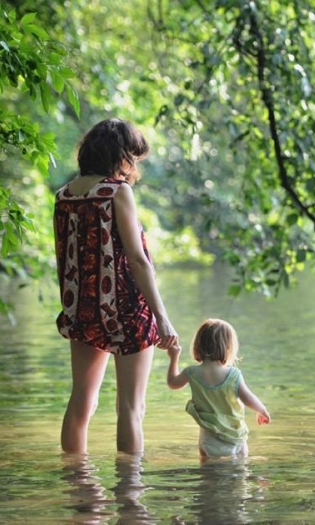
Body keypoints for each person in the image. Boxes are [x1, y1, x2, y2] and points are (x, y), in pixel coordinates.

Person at [54, 118, 179, 455]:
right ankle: (129, 498)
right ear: (119, 155)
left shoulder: (63, 195)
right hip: (126, 307)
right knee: (131, 409)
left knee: (81, 404)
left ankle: (78, 490)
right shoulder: (117, 192)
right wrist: (162, 317)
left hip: (83, 308)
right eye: (132, 157)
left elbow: (65, 256)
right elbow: (138, 261)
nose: (133, 165)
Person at [166, 318, 270, 461]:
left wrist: (174, 357)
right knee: (239, 473)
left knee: (207, 473)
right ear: (228, 347)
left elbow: (172, 383)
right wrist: (262, 410)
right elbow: (248, 398)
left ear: (198, 345)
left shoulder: (192, 373)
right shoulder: (233, 375)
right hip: (234, 435)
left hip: (208, 438)